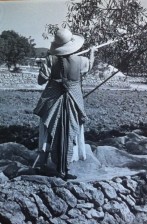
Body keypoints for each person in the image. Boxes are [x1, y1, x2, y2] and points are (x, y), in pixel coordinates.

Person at [33, 28, 96, 180]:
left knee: (49, 131)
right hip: (73, 102)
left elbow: (40, 81)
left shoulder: (50, 60)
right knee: (69, 132)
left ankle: (45, 165)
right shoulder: (81, 61)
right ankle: (64, 169)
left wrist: (46, 70)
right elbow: (90, 65)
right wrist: (92, 52)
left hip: (53, 103)